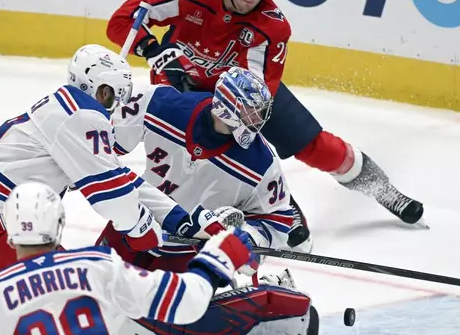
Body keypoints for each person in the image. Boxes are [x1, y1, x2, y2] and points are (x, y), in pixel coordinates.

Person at [106, 0, 425, 242]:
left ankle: (382, 190)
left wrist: (239, 119)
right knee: (193, 159)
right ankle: (246, 209)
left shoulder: (272, 26)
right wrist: (154, 49)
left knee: (316, 146)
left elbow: (258, 94)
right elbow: (121, 21)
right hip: (182, 87)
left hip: (244, 93)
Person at [0, 44, 236, 335]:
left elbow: (119, 176)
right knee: (73, 290)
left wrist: (179, 219)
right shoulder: (82, 114)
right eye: (113, 94)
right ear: (99, 88)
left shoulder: (62, 111)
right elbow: (114, 200)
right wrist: (141, 228)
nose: (114, 104)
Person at [0, 182, 318, 335]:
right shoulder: (96, 266)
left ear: (9, 235)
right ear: (60, 225)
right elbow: (186, 302)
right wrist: (221, 255)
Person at [98, 66, 312, 274]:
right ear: (227, 105)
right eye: (251, 113)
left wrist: (251, 237)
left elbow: (279, 217)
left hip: (189, 248)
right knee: (90, 287)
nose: (256, 121)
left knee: (160, 308)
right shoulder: (162, 106)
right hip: (132, 223)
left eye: (259, 115)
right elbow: (108, 143)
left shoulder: (261, 163)